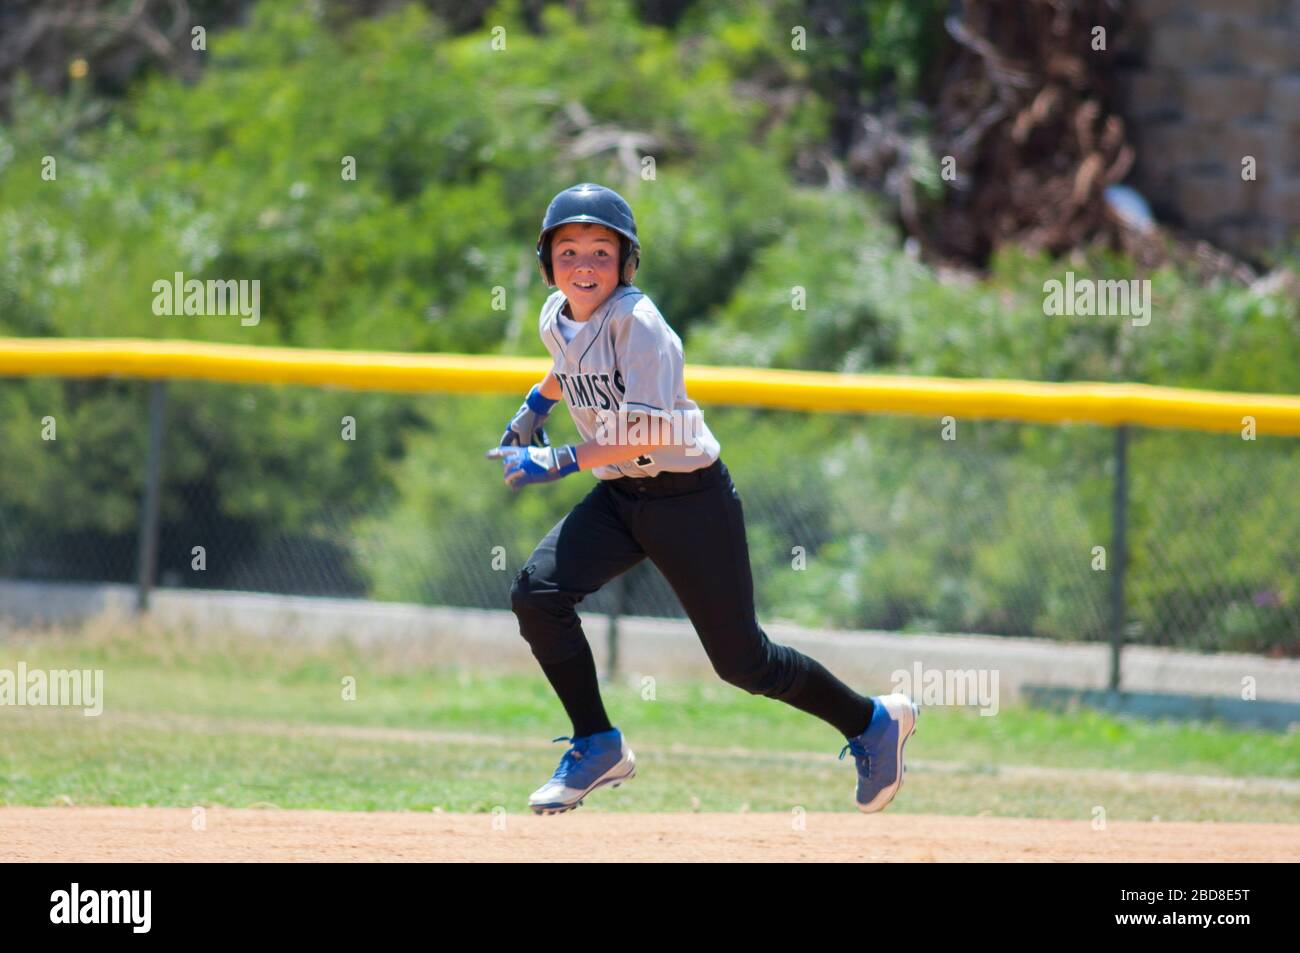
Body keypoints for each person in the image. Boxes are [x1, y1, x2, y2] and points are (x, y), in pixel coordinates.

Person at [487, 183, 917, 815]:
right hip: (620, 496)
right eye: (569, 250)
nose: (584, 265)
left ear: (626, 263)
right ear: (547, 263)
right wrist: (536, 406)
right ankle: (597, 743)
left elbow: (652, 430)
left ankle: (872, 721)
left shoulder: (642, 325)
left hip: (688, 498)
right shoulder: (556, 313)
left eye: (601, 253)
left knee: (744, 662)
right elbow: (565, 361)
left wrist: (558, 458)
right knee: (537, 594)